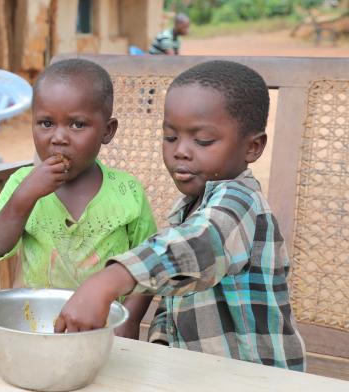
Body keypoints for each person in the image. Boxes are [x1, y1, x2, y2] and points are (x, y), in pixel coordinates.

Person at [54, 60, 306, 370]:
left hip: (253, 377)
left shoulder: (240, 203)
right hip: (195, 373)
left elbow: (198, 245)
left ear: (252, 148)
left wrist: (108, 281)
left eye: (202, 141)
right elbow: (173, 302)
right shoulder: (188, 207)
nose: (181, 151)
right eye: (171, 137)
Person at [0, 58, 157, 339]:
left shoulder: (127, 192)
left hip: (106, 326)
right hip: (38, 324)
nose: (58, 138)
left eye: (77, 125)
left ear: (107, 131)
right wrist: (24, 197)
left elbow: (148, 262)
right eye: (46, 123)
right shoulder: (21, 184)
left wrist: (130, 319)